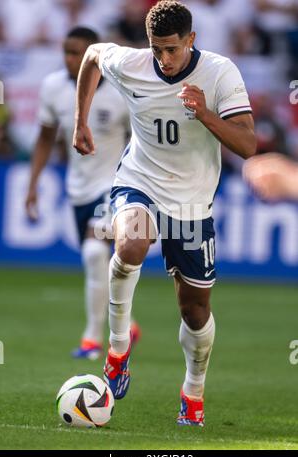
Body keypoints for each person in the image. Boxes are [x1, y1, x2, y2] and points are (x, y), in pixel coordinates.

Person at [73, 0, 256, 425]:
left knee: (195, 312)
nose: (164, 59)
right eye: (157, 49)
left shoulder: (219, 72)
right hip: (139, 180)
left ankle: (193, 392)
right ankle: (117, 350)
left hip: (192, 202)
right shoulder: (133, 62)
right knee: (131, 242)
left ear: (192, 40)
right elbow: (92, 55)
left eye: (172, 49)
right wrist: (79, 121)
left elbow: (248, 145)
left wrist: (205, 113)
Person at [25, 26, 140, 360]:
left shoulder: (121, 90)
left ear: (95, 55)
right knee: (97, 262)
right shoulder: (52, 87)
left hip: (115, 187)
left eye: (77, 52)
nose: (70, 59)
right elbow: (46, 137)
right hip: (78, 190)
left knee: (93, 253)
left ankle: (92, 340)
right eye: (66, 51)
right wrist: (33, 185)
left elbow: (141, 139)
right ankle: (128, 322)